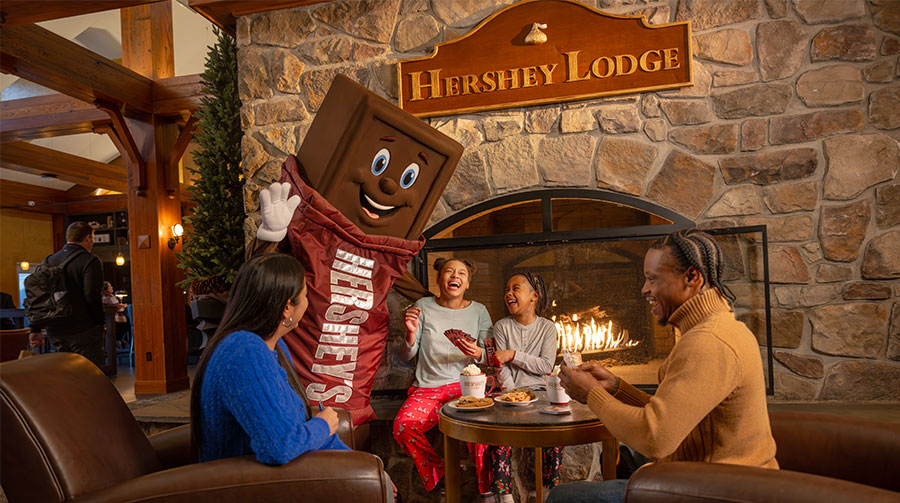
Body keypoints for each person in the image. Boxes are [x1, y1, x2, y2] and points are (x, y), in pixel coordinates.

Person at [549, 229, 778, 503]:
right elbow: (673, 414)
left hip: (720, 490)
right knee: (626, 453)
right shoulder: (712, 327)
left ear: (692, 278)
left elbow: (656, 437)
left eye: (652, 279)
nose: (645, 289)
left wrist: (592, 395)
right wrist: (615, 387)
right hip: (716, 473)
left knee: (564, 496)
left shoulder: (708, 342)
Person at [393, 258, 493, 499]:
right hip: (427, 389)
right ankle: (438, 474)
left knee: (480, 432)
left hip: (466, 388)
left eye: (461, 273)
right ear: (439, 279)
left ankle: (487, 490)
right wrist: (410, 333)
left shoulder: (479, 311)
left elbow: (491, 355)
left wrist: (478, 352)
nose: (454, 276)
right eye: (448, 272)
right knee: (403, 427)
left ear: (467, 283)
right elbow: (406, 355)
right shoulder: (423, 306)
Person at [489, 272, 562, 503]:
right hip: (509, 396)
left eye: (516, 288)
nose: (509, 293)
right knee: (498, 435)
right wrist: (512, 394)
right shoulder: (501, 327)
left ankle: (551, 490)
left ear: (533, 296)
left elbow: (545, 365)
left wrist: (514, 354)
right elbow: (501, 368)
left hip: (541, 393)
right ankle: (504, 494)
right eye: (507, 289)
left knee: (555, 433)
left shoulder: (548, 328)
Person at [29, 221, 106, 369]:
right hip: (83, 329)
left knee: (65, 375)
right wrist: (99, 321)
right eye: (92, 239)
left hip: (55, 329)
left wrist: (35, 329)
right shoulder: (90, 261)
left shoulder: (48, 261)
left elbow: (38, 296)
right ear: (87, 238)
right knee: (89, 374)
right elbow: (91, 294)